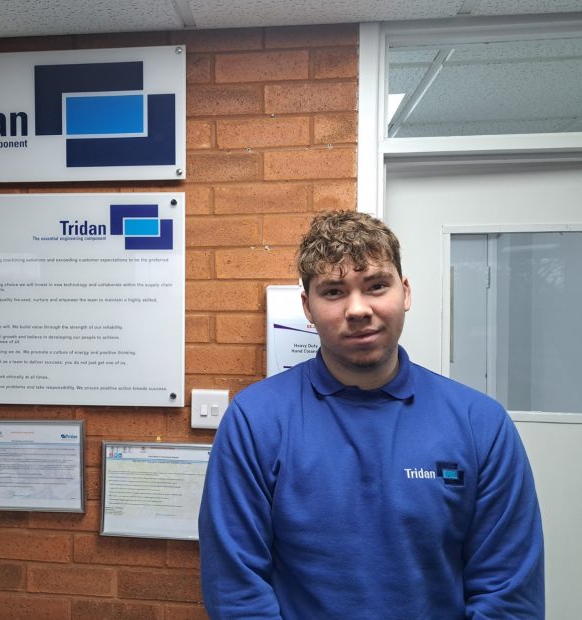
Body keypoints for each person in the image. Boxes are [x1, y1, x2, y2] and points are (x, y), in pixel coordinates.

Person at [198, 210, 544, 619]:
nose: (358, 309)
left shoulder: (480, 424)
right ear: (308, 307)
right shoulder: (255, 421)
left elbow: (507, 595)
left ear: (405, 292)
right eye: (334, 291)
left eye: (376, 285)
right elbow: (236, 591)